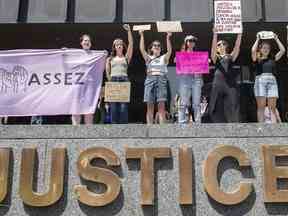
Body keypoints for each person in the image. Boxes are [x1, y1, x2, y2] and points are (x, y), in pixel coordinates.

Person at [139, 30, 172, 124]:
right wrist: (142, 35)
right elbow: (142, 49)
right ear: (152, 48)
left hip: (161, 79)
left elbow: (169, 50)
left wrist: (168, 37)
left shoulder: (164, 58)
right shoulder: (148, 58)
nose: (157, 47)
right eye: (155, 45)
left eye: (158, 46)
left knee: (161, 106)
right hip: (150, 79)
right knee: (150, 106)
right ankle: (150, 128)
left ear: (161, 49)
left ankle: (162, 130)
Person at [209, 28, 242, 123]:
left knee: (233, 103)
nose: (221, 45)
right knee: (216, 104)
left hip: (230, 84)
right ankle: (218, 125)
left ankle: (234, 125)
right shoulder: (216, 57)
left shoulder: (231, 56)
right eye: (219, 45)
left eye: (223, 44)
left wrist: (239, 34)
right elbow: (213, 49)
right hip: (218, 83)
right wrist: (215, 34)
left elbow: (237, 47)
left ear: (227, 46)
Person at [251, 33, 285, 122]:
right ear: (260, 49)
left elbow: (282, 50)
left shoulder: (273, 58)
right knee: (261, 106)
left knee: (272, 107)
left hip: (272, 81)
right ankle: (261, 128)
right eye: (264, 48)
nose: (266, 49)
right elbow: (253, 51)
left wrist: (276, 39)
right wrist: (257, 39)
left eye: (268, 48)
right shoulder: (257, 59)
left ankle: (273, 129)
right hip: (260, 81)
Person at [105, 24, 133, 124]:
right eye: (117, 44)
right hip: (113, 80)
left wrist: (129, 31)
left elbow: (131, 44)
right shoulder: (110, 59)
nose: (119, 45)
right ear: (115, 47)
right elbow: (107, 71)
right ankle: (114, 124)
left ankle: (123, 125)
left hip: (124, 79)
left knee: (123, 105)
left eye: (121, 44)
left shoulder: (126, 58)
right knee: (113, 105)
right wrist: (110, 82)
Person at [177, 35, 203, 124]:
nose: (191, 42)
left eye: (193, 41)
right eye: (189, 40)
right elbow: (175, 61)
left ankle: (198, 122)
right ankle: (181, 123)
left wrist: (206, 61)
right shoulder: (182, 54)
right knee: (183, 102)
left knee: (196, 103)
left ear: (195, 43)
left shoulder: (199, 55)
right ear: (186, 42)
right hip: (185, 79)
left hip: (196, 79)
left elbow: (204, 64)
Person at [71, 34, 94, 125]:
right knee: (76, 107)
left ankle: (88, 129)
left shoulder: (94, 55)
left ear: (91, 44)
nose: (87, 42)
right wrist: (64, 52)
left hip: (89, 85)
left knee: (88, 108)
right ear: (81, 43)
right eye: (85, 40)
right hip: (78, 84)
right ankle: (75, 128)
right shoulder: (76, 54)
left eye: (88, 41)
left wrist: (103, 54)